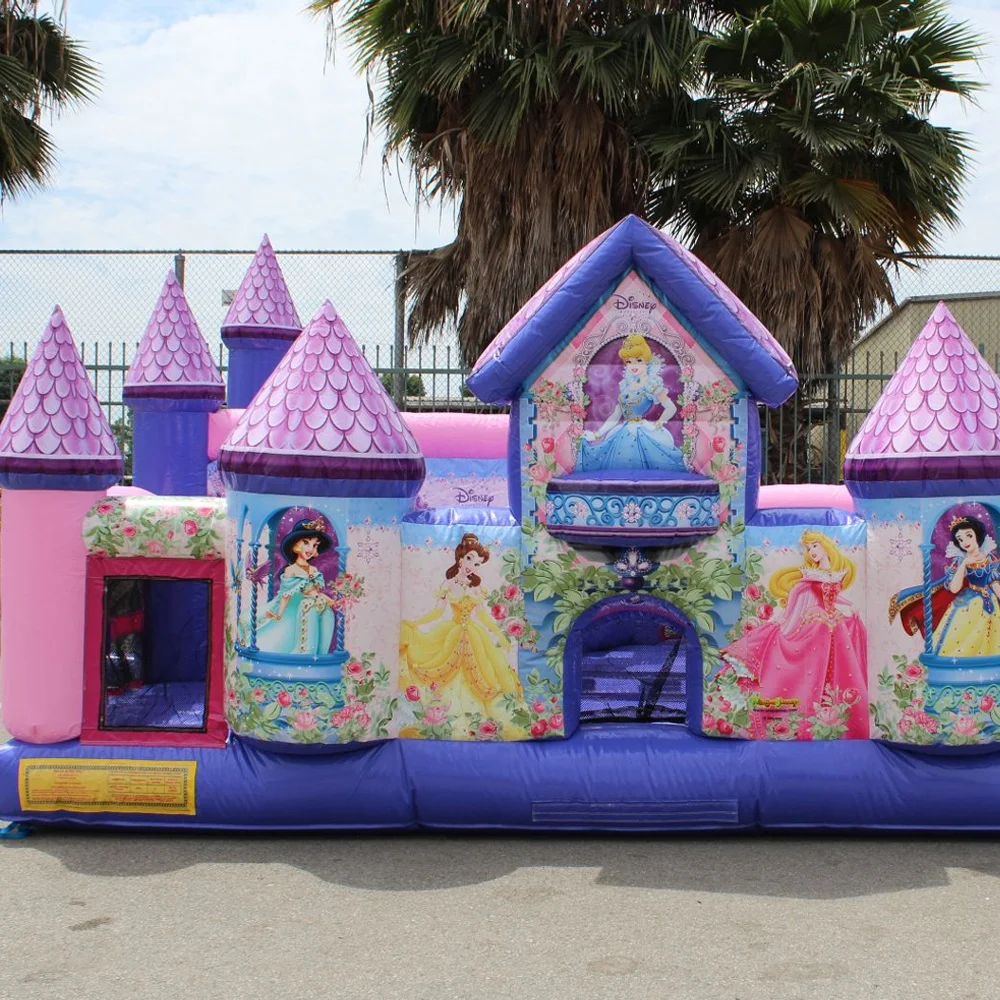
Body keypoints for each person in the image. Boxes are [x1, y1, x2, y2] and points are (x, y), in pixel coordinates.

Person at [720, 530, 869, 738]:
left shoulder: (836, 573)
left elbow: (835, 597)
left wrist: (851, 606)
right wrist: (786, 617)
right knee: (812, 662)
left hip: (834, 620)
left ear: (825, 546)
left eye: (815, 546)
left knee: (839, 661)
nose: (812, 551)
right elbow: (798, 592)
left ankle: (831, 709)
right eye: (808, 548)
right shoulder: (811, 574)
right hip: (818, 621)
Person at [400, 533, 523, 715]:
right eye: (469, 559)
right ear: (460, 558)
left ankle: (477, 713)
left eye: (477, 564)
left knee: (484, 667)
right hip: (452, 632)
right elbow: (438, 611)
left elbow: (482, 615)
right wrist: (416, 622)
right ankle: (446, 711)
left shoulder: (476, 587)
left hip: (474, 634)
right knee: (442, 664)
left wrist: (498, 634)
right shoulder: (448, 584)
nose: (472, 566)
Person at [890, 515, 1000, 658]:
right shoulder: (961, 562)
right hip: (969, 603)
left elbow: (994, 583)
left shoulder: (990, 560)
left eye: (968, 536)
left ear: (977, 535)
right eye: (960, 539)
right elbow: (954, 588)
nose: (965, 542)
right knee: (963, 639)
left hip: (990, 602)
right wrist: (964, 564)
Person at [577, 333, 686, 472]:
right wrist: (597, 434)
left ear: (646, 361)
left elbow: (671, 408)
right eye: (629, 362)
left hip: (642, 432)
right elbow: (615, 415)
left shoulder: (652, 385)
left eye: (638, 360)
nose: (633, 365)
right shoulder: (626, 386)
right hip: (623, 432)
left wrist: (659, 423)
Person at [256, 517, 338, 656]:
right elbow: (286, 595)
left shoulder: (313, 570)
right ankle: (304, 652)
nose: (311, 549)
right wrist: (279, 614)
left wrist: (328, 600)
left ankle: (319, 653)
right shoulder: (291, 570)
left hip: (310, 605)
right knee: (307, 609)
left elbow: (314, 592)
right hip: (294, 608)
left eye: (315, 545)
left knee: (325, 612)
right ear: (296, 545)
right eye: (306, 543)